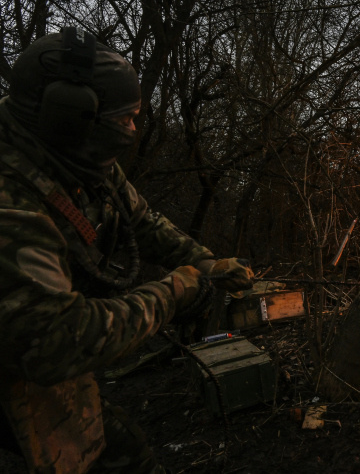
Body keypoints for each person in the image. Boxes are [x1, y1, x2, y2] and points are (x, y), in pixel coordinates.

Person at [0, 28, 254, 473]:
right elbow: (56, 343)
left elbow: (141, 220)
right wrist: (172, 294)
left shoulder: (73, 152)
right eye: (126, 119)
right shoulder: (10, 203)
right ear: (71, 118)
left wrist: (205, 262)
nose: (134, 131)